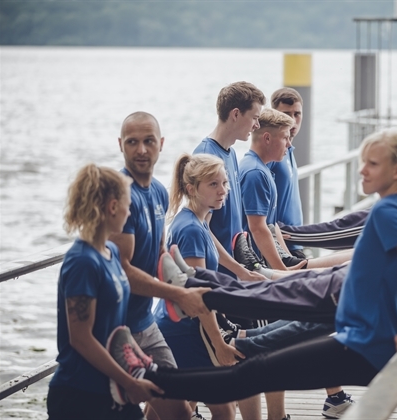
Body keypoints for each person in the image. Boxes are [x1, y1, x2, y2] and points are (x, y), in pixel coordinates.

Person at [109, 128, 397, 407]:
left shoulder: (389, 211)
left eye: (372, 164)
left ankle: (150, 373)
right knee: (256, 360)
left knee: (251, 370)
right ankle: (162, 355)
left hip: (366, 344)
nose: (362, 170)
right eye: (363, 162)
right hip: (361, 331)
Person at [109, 111, 209, 420]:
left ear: (161, 144)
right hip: (115, 330)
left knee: (178, 409)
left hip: (145, 323)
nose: (141, 150)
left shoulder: (158, 193)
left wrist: (182, 279)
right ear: (120, 145)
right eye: (133, 142)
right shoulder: (120, 196)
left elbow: (159, 252)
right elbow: (122, 269)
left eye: (148, 141)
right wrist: (177, 296)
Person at [47, 164, 162, 420]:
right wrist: (130, 383)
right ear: (112, 207)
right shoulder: (82, 262)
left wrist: (145, 363)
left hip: (110, 388)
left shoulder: (111, 252)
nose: (129, 210)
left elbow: (116, 328)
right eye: (127, 204)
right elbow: (81, 339)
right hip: (79, 394)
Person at [155, 153, 261, 420]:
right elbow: (198, 294)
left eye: (224, 183)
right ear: (192, 189)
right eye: (213, 184)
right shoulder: (190, 229)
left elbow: (213, 244)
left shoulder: (197, 218)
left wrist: (242, 272)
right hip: (183, 327)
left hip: (178, 320)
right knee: (224, 407)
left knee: (169, 407)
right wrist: (219, 344)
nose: (223, 191)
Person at [240, 108, 352, 271]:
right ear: (267, 138)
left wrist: (288, 259)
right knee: (351, 260)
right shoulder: (254, 173)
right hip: (262, 266)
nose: (289, 144)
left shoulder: (261, 169)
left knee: (351, 258)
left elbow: (271, 223)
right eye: (285, 138)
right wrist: (283, 273)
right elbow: (257, 228)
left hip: (275, 258)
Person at [193, 81, 269, 280]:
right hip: (218, 275)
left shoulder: (232, 154)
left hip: (235, 273)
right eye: (254, 117)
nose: (257, 125)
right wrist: (240, 271)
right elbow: (203, 228)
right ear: (236, 114)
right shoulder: (205, 155)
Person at [268, 88, 306, 259]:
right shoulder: (271, 154)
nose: (292, 120)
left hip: (296, 241)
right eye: (286, 114)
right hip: (281, 244)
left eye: (297, 114)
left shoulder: (288, 150)